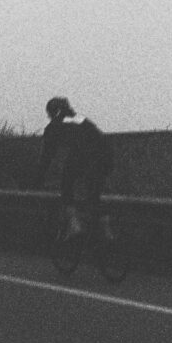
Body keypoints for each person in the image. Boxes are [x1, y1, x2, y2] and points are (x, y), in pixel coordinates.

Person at [33, 97, 114, 240]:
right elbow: (98, 138)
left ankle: (74, 224)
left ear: (53, 112)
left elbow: (46, 157)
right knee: (94, 193)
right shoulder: (82, 119)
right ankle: (106, 231)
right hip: (105, 156)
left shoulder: (54, 126)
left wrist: (38, 178)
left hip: (83, 155)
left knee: (66, 183)